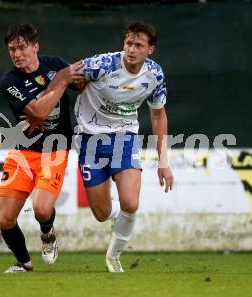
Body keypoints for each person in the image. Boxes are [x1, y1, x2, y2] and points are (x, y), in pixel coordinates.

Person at [75, 21, 174, 272]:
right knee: (101, 213)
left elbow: (158, 115)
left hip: (125, 137)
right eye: (128, 43)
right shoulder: (102, 64)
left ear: (150, 50)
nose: (131, 49)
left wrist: (163, 162)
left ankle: (114, 256)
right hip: (91, 139)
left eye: (138, 45)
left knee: (131, 203)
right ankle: (116, 216)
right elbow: (66, 75)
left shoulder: (154, 74)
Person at [0, 23, 83, 273]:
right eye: (12, 49)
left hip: (55, 148)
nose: (17, 54)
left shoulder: (54, 63)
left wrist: (72, 78)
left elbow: (84, 85)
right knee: (5, 220)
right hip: (22, 151)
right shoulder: (10, 80)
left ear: (36, 46)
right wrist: (62, 81)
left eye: (22, 47)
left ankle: (47, 232)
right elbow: (38, 111)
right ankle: (24, 263)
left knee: (42, 209)